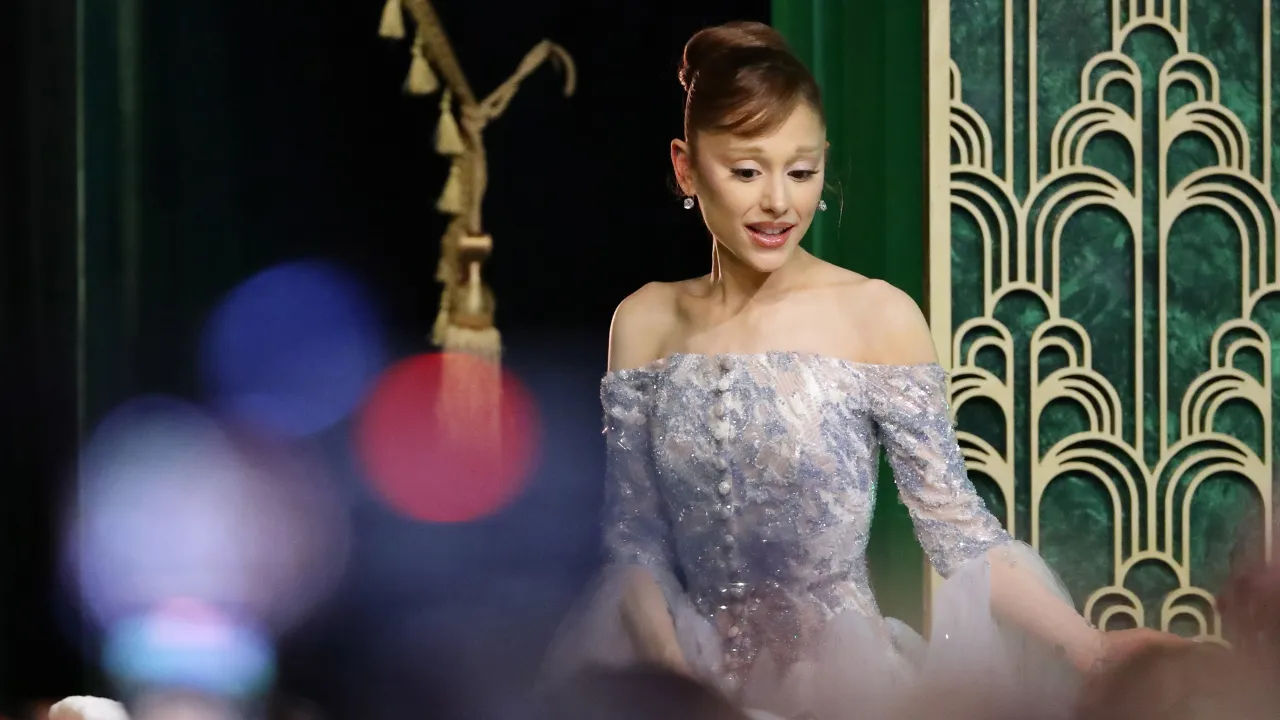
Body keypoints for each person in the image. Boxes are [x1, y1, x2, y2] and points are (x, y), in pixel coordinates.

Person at [544, 20, 1186, 720]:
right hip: (689, 689)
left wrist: (1090, 649)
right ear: (686, 167)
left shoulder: (878, 316)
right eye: (747, 171)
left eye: (801, 171)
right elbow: (634, 546)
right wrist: (681, 692)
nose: (778, 202)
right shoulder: (644, 321)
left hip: (846, 693)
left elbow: (956, 528)